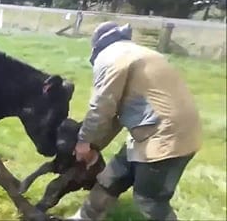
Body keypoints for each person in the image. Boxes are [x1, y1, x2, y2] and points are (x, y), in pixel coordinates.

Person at [68, 21, 202, 220]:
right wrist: (94, 145)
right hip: (157, 132)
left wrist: (84, 141)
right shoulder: (138, 53)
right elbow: (118, 113)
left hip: (165, 137)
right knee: (110, 179)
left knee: (149, 199)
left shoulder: (110, 57)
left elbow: (102, 106)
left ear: (96, 46)